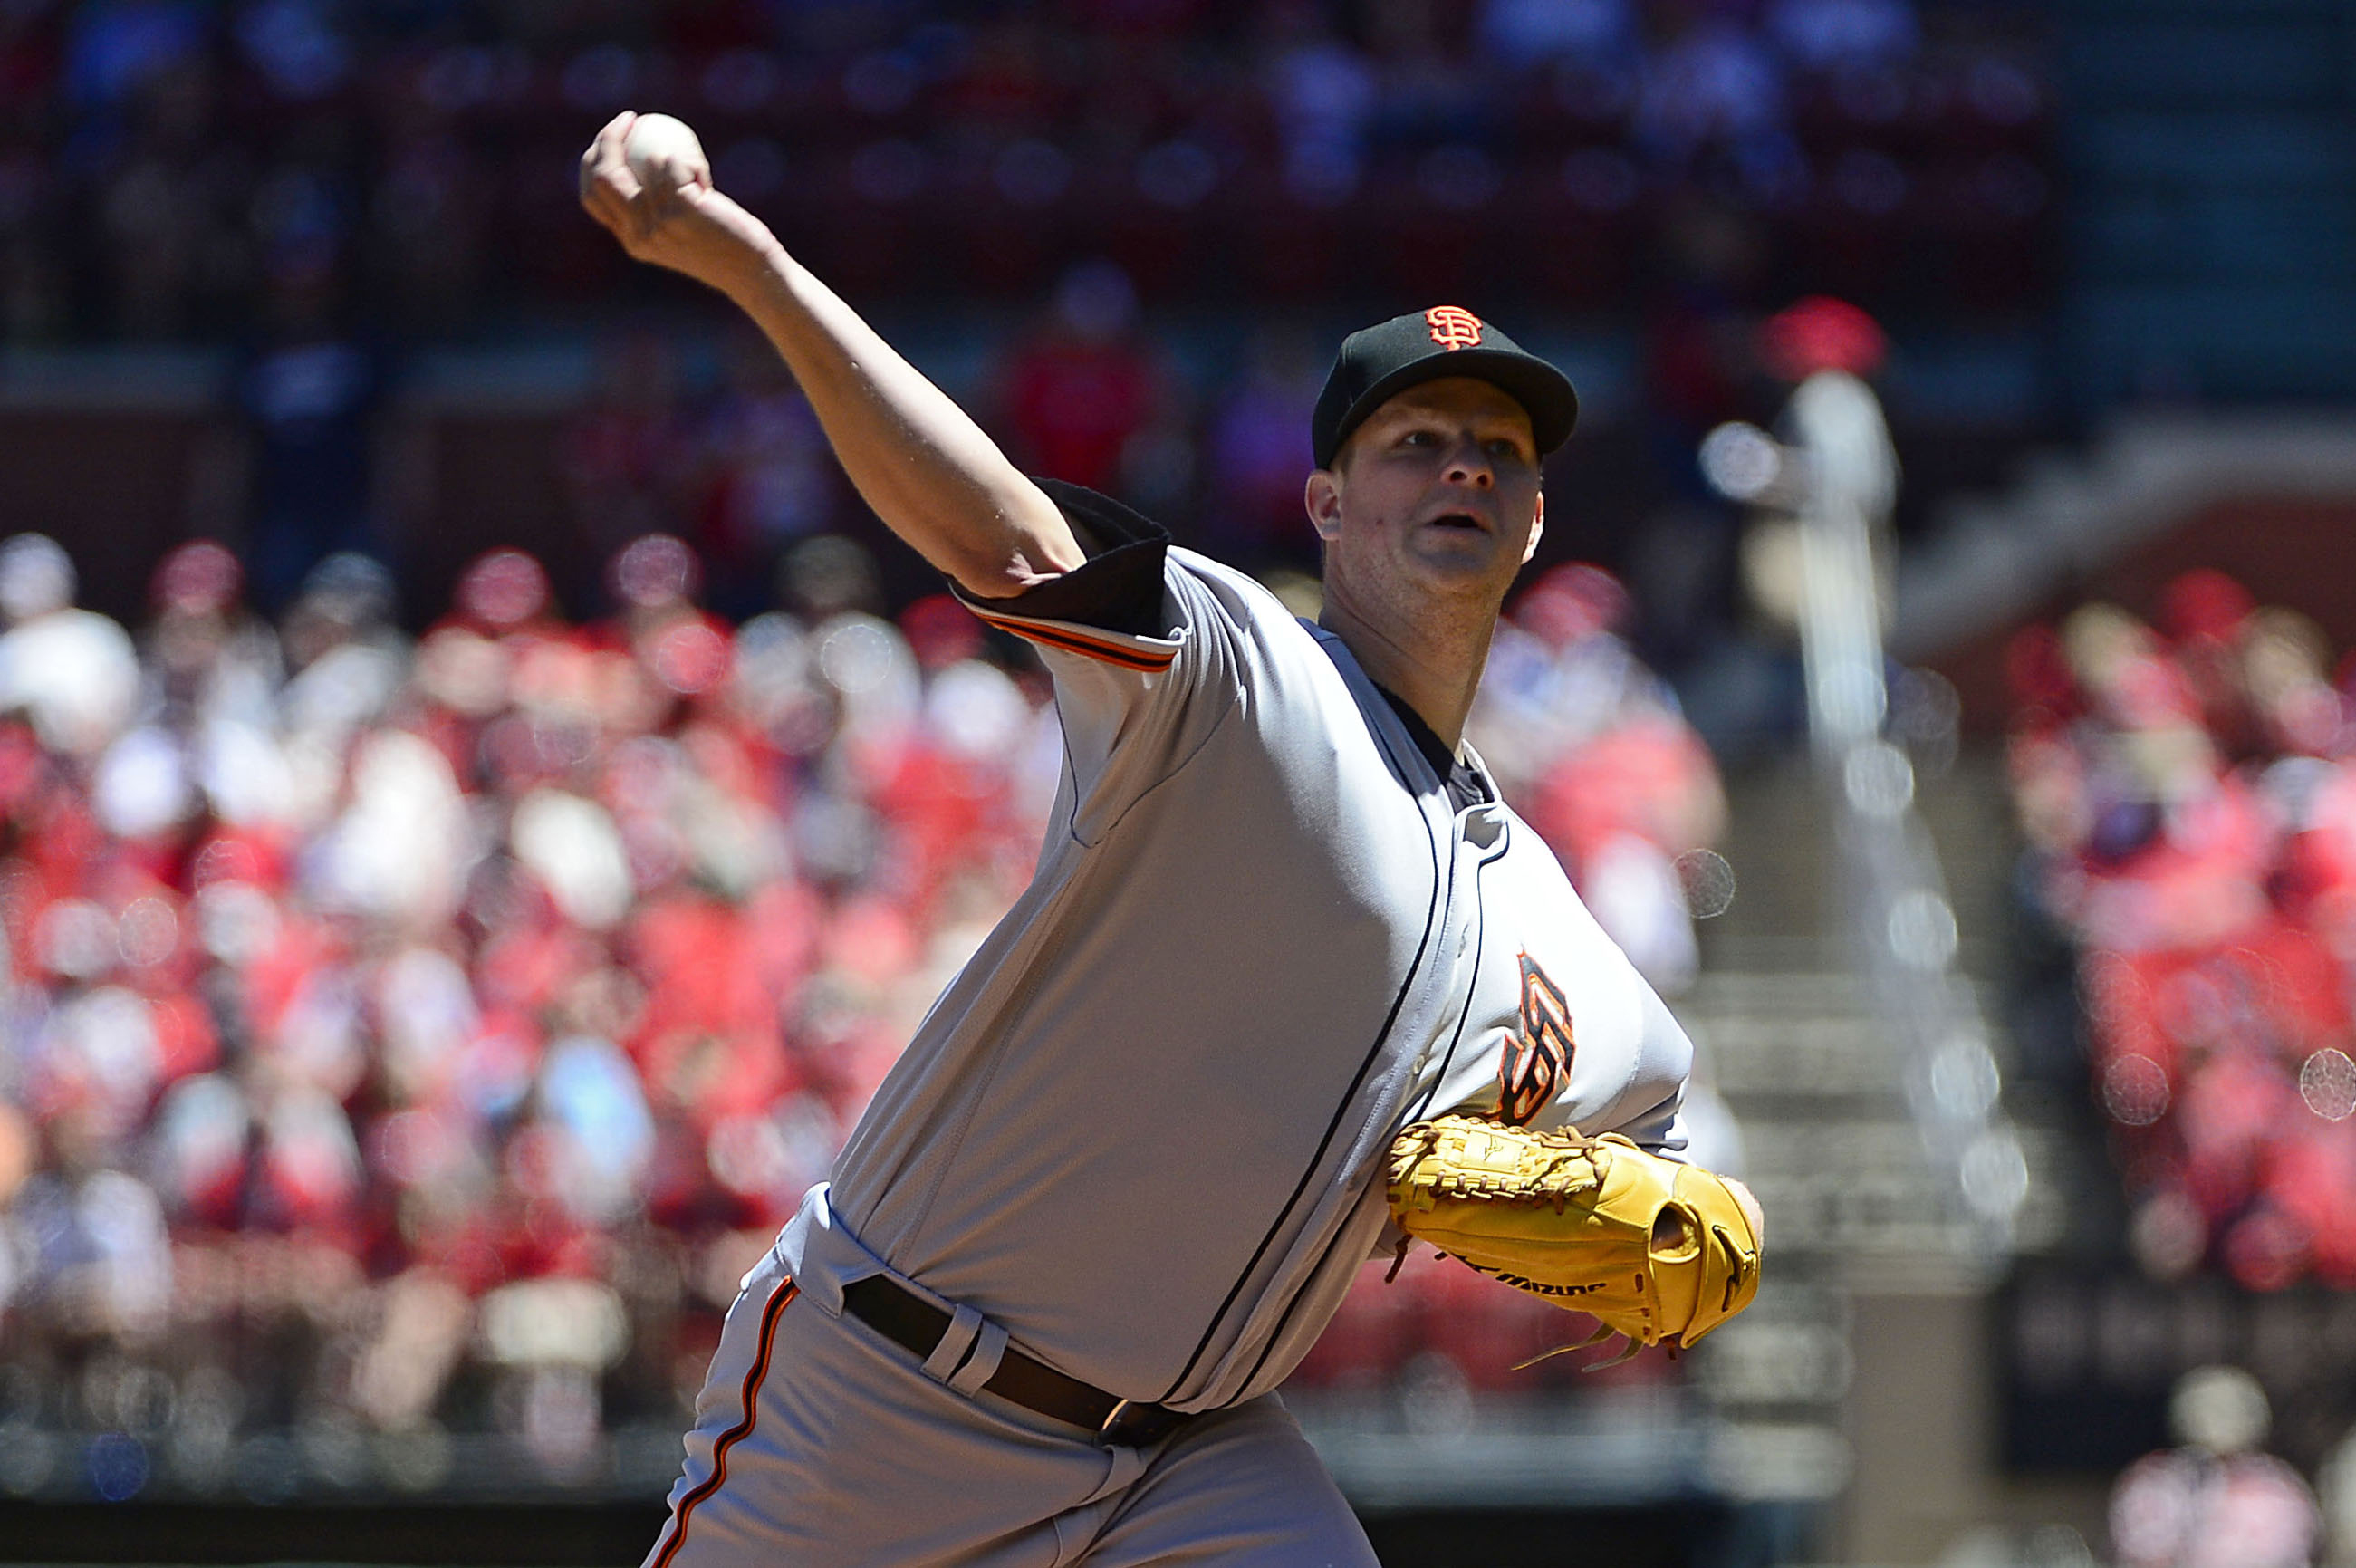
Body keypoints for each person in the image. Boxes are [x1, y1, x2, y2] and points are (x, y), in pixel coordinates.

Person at [580, 110, 1761, 1567]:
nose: (1461, 466)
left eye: (1496, 451)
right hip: (885, 1404)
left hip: (1189, 1463)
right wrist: (751, 265)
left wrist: (1697, 1229)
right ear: (1325, 502)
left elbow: (1680, 1176)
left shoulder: (1564, 938)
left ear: (1530, 521)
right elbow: (1001, 537)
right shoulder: (1238, 672)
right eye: (1414, 442)